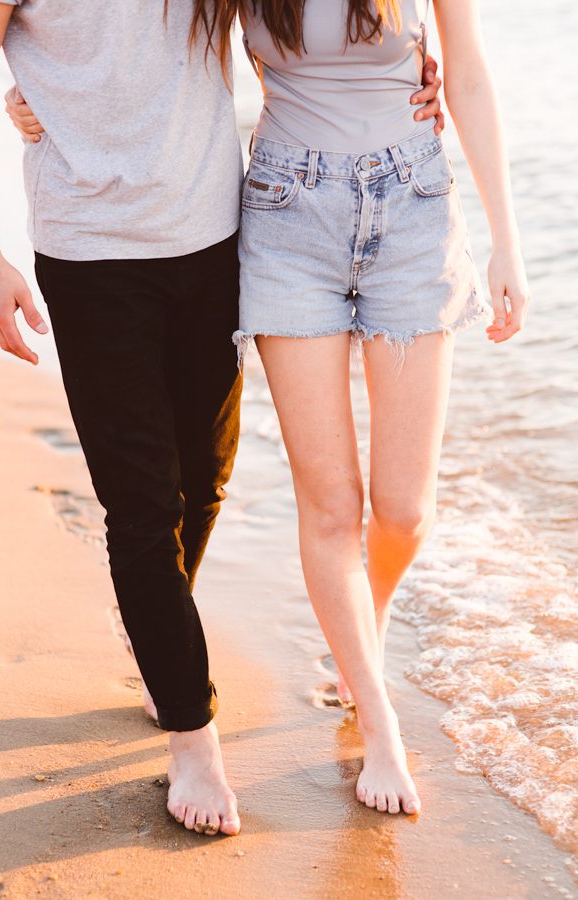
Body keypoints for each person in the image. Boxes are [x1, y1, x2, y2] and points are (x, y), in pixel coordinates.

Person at [0, 1, 443, 834]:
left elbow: (295, 36)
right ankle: (192, 736)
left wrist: (411, 71)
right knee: (143, 506)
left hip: (218, 233)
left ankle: (158, 628)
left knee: (205, 480)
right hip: (89, 250)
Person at [228, 0, 528, 816]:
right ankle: (378, 716)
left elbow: (464, 68)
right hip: (288, 217)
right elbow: (163, 52)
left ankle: (372, 614)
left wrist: (506, 239)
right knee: (332, 508)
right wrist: (42, 97)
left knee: (404, 509)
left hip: (413, 208)